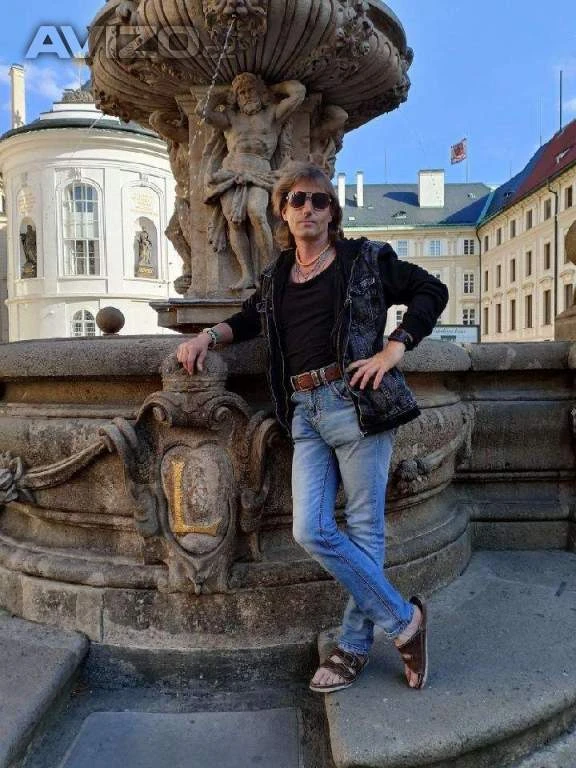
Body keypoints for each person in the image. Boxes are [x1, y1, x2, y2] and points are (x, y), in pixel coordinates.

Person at [177, 161, 448, 692]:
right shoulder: (278, 274)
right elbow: (251, 319)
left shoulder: (364, 259)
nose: (308, 209)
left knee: (364, 531)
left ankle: (352, 647)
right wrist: (206, 337)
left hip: (356, 403)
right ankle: (405, 621)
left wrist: (395, 349)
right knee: (311, 529)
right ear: (282, 211)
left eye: (319, 200)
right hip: (304, 410)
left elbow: (430, 290)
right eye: (297, 200)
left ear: (332, 213)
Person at [200, 73, 306, 289]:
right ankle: (248, 275)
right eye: (241, 93)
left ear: (260, 93)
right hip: (231, 174)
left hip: (260, 172)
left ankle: (269, 270)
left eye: (251, 91)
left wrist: (274, 88)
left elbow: (298, 92)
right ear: (236, 98)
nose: (247, 96)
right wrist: (222, 94)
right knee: (234, 222)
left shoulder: (272, 114)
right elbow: (203, 112)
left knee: (257, 213)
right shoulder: (230, 118)